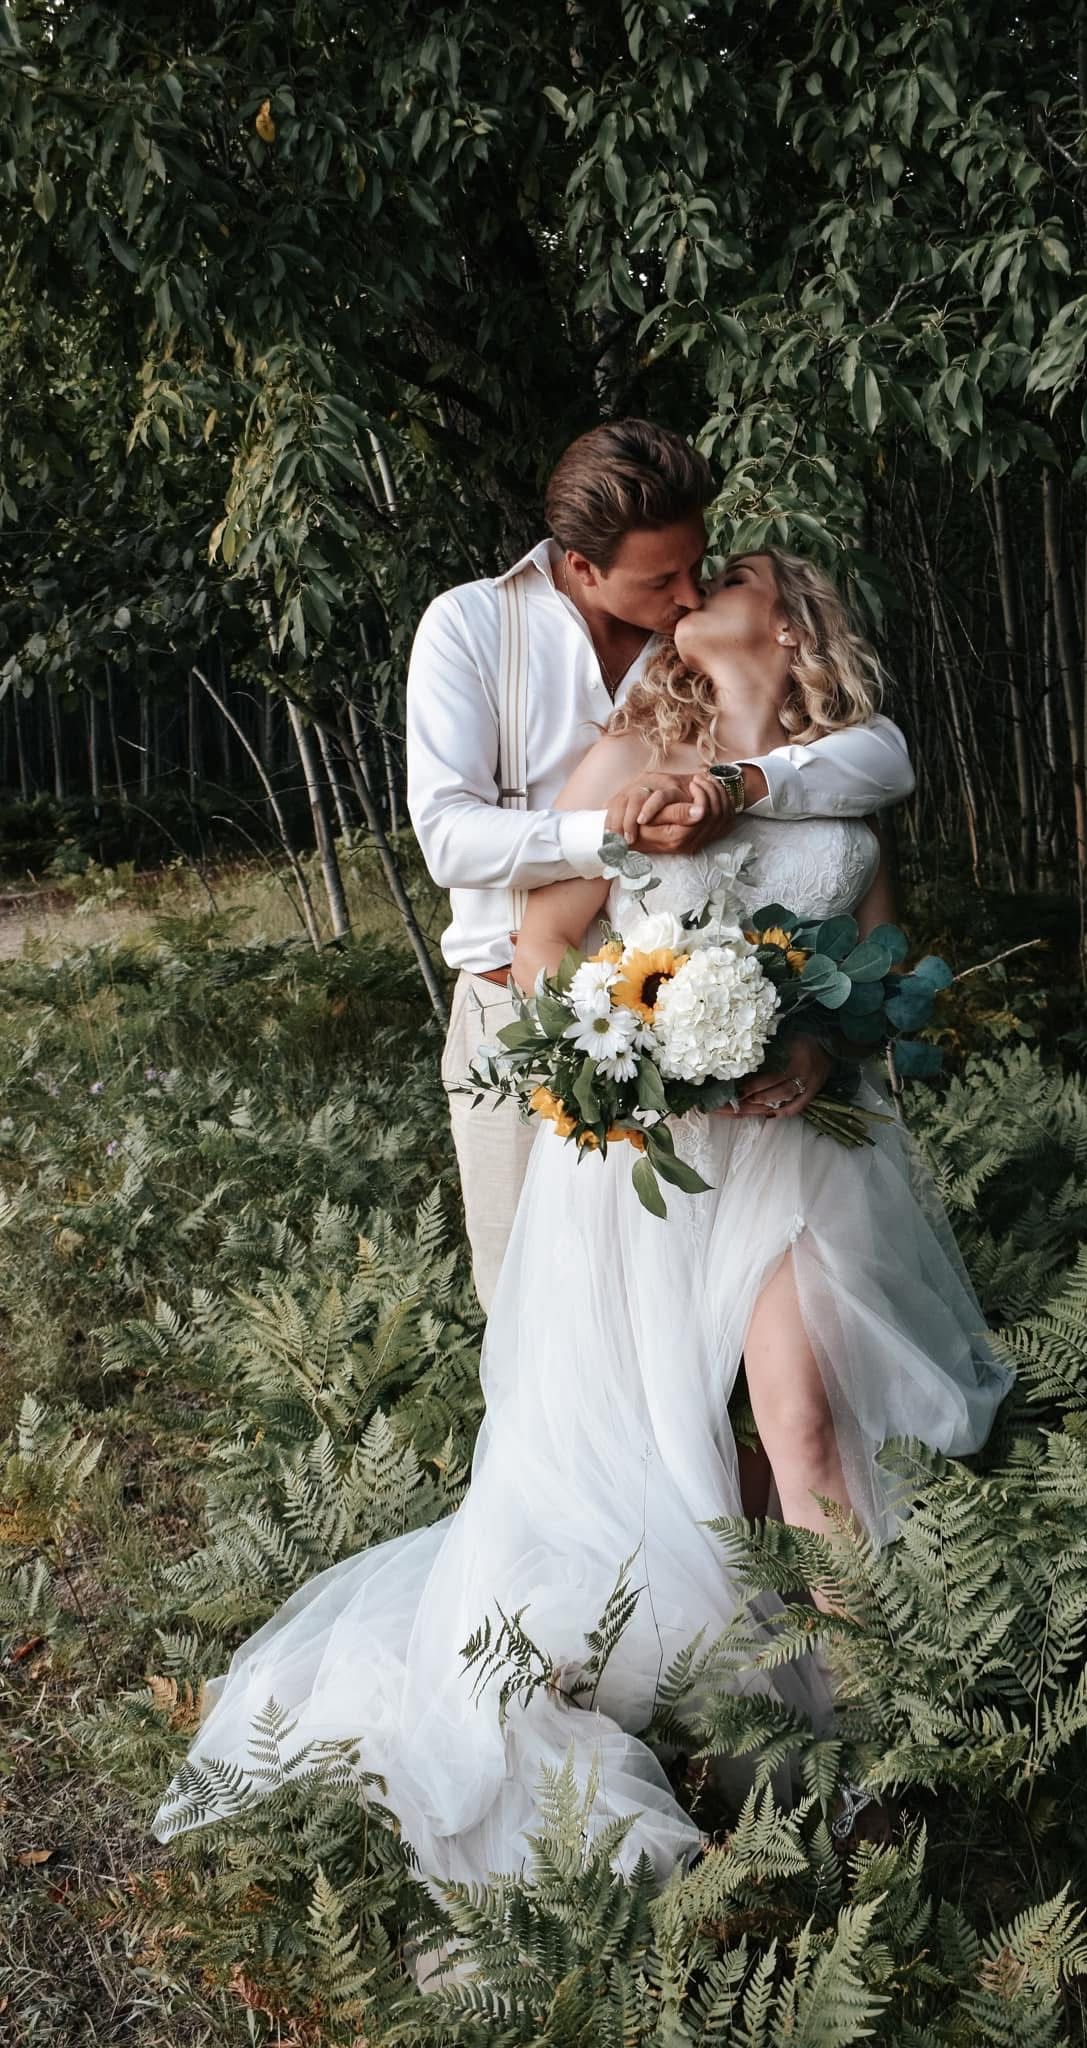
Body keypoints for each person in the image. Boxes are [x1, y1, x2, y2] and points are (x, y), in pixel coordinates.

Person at [150, 545, 1013, 1993]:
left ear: (788, 614)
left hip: (808, 1151)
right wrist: (646, 1041)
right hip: (655, 1162)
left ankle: (885, 1742)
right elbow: (549, 949)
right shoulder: (629, 747)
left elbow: (882, 958)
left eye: (725, 569)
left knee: (805, 1429)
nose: (692, 588)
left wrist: (814, 1042)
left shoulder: (848, 772)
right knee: (660, 1445)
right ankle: (716, 1678)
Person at [404, 417, 916, 1314]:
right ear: (581, 564)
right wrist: (610, 834)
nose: (687, 593)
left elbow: (874, 764)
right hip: (519, 1007)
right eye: (661, 578)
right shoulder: (471, 625)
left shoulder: (690, 643)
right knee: (536, 1314)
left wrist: (739, 781)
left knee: (696, 1324)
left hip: (715, 1018)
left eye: (699, 566)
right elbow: (446, 835)